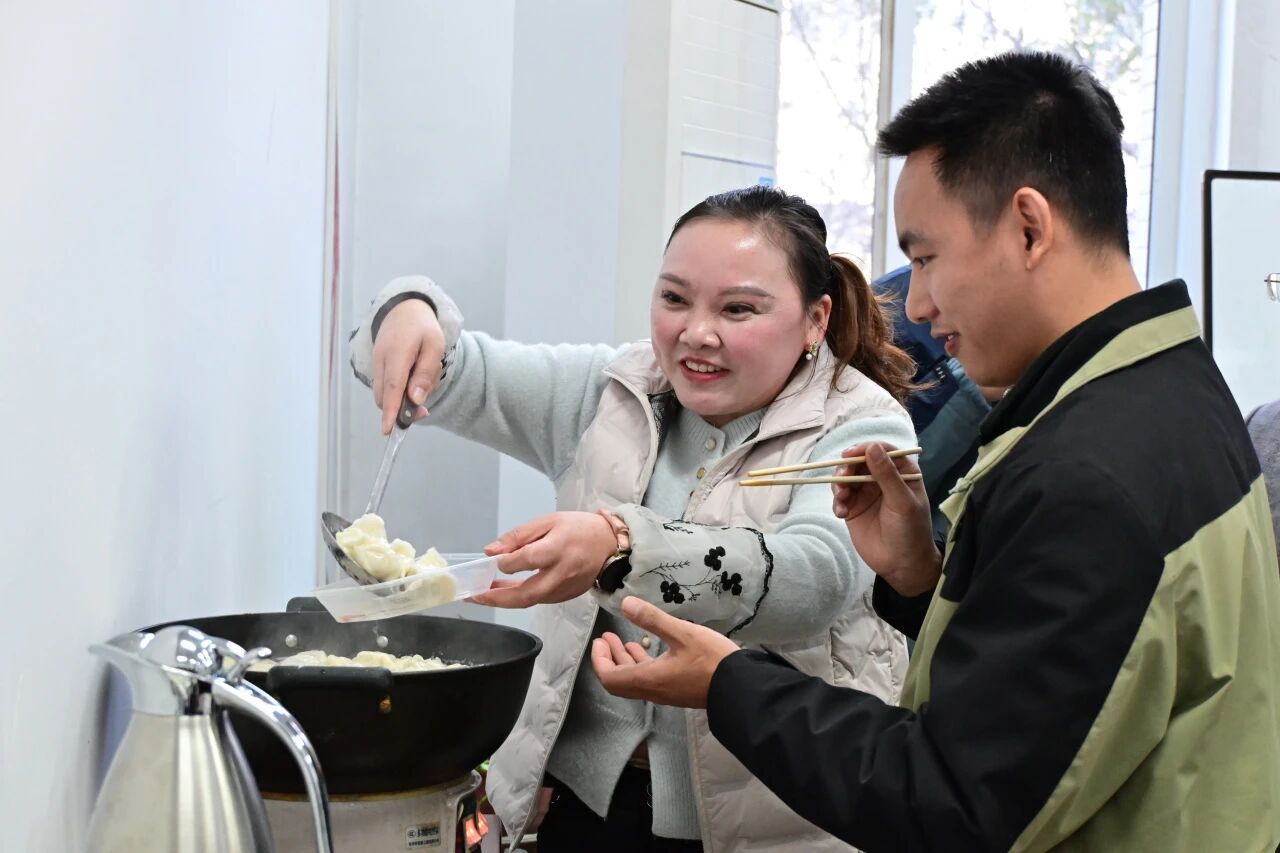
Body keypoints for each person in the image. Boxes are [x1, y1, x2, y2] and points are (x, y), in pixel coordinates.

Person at [593, 51, 1280, 852]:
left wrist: (728, 684)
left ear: (1029, 227)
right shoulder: (1173, 383)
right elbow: (1065, 685)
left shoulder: (1085, 473)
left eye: (924, 259)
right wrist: (922, 580)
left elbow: (951, 801)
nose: (915, 303)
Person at [348, 185, 919, 851]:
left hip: (781, 824)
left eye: (738, 308)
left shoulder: (862, 423)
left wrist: (619, 547)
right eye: (674, 298)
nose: (696, 332)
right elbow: (446, 371)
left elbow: (813, 581)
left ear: (816, 318)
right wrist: (408, 309)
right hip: (591, 811)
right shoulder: (615, 390)